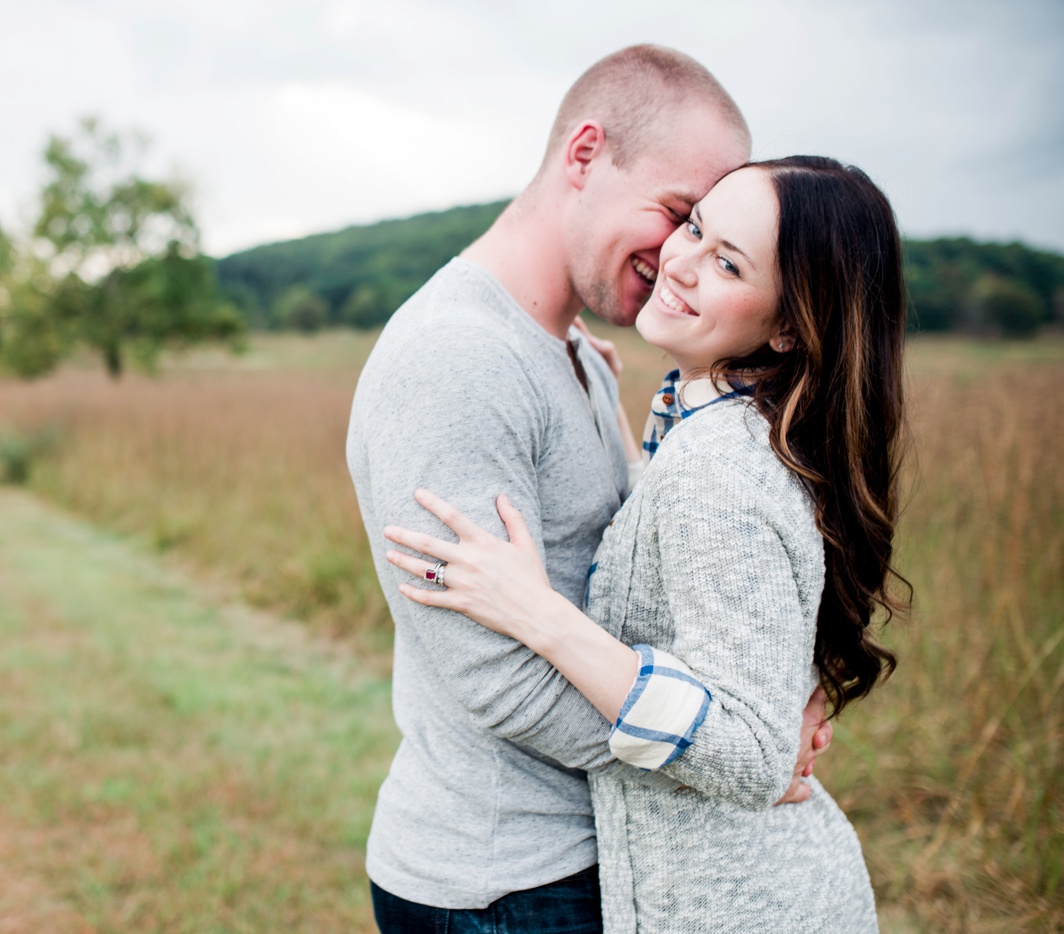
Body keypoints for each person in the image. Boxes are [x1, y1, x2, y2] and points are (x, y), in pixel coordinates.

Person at [346, 45, 831, 932]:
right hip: (507, 882)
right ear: (584, 155)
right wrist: (726, 752)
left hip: (586, 861)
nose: (678, 254)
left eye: (714, 241)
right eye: (680, 214)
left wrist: (761, 705)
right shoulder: (456, 362)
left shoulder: (580, 357)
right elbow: (497, 681)